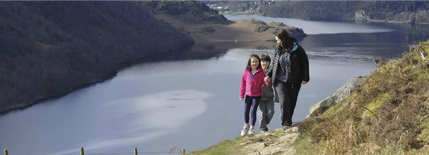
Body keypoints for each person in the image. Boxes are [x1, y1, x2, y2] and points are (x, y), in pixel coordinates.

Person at [265, 29, 310, 129]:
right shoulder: (278, 50)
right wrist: (268, 75)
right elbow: (274, 64)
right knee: (284, 100)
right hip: (280, 80)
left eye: (278, 40)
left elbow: (305, 63)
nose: (277, 42)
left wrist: (305, 78)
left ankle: (288, 122)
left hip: (295, 80)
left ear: (284, 39)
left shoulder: (298, 49)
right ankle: (285, 123)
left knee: (292, 102)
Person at [239, 54, 270, 136]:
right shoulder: (246, 72)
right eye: (253, 62)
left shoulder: (261, 72)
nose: (255, 63)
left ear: (258, 62)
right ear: (249, 62)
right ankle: (246, 126)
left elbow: (265, 83)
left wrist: (267, 81)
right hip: (248, 95)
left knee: (253, 111)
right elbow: (243, 84)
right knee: (246, 111)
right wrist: (241, 95)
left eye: (256, 61)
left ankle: (252, 128)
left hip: (257, 95)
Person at [258, 54, 275, 133]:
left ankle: (264, 124)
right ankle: (263, 129)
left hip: (269, 97)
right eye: (262, 61)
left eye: (266, 61)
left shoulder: (272, 71)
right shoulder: (257, 71)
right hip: (259, 97)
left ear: (269, 62)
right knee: (261, 114)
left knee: (271, 113)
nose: (264, 63)